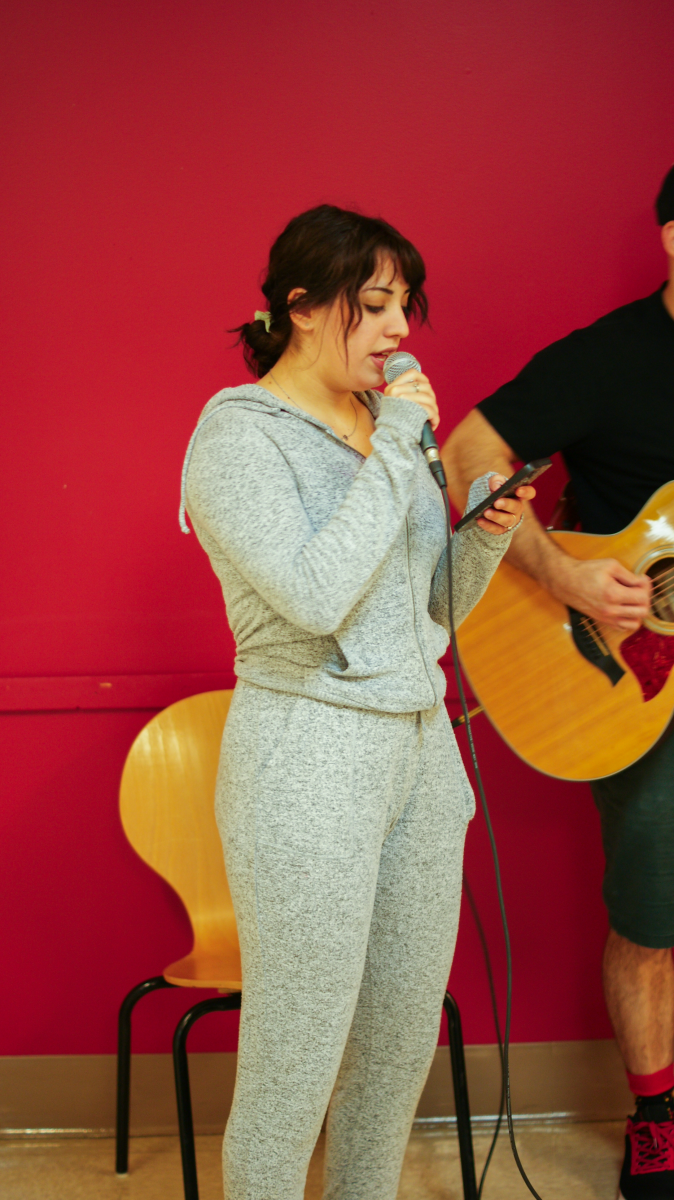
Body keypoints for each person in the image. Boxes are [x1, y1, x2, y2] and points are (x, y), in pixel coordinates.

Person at [179, 204, 530, 1200]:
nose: (399, 330)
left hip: (419, 758)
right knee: (295, 1062)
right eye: (374, 305)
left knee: (393, 1057)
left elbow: (424, 613)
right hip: (307, 759)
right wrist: (401, 446)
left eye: (404, 306)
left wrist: (485, 534)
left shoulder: (388, 430)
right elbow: (313, 596)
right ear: (300, 307)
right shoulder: (237, 435)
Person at [441, 165, 674, 1200]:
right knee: (653, 913)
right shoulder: (607, 357)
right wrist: (563, 576)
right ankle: (657, 1122)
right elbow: (467, 454)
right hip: (629, 683)